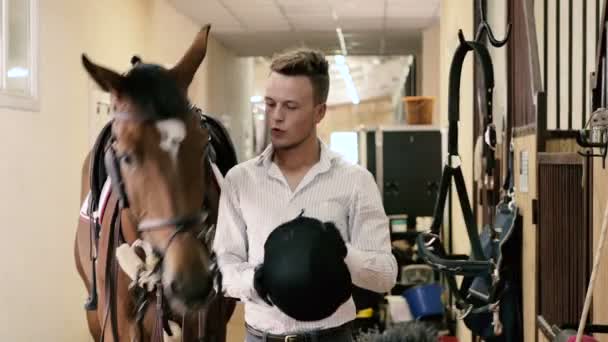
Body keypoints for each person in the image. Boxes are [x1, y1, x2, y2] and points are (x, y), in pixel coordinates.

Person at [213, 47, 398, 342]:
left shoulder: (355, 181)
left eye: (290, 106)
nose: (276, 117)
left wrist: (340, 253)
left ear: (319, 112)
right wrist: (257, 280)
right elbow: (224, 266)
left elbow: (386, 274)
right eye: (270, 104)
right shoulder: (240, 180)